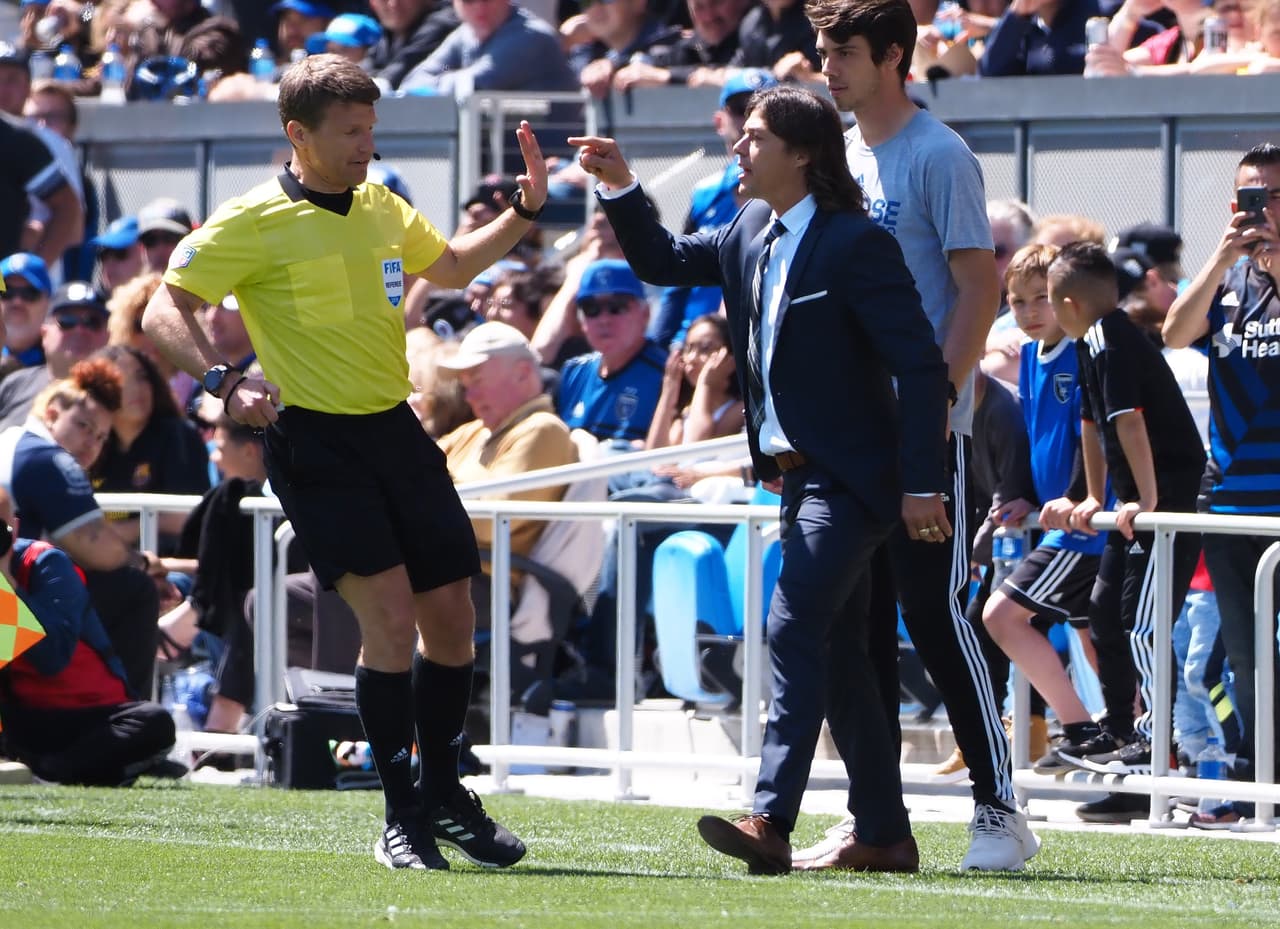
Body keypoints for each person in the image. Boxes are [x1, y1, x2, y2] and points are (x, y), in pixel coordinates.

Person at [141, 53, 544, 872]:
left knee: (454, 614)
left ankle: (444, 792)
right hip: (314, 442)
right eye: (352, 131)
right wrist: (224, 380)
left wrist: (526, 208)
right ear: (299, 133)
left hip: (395, 430)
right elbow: (163, 307)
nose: (368, 144)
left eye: (371, 127)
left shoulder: (381, 203)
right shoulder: (252, 219)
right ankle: (402, 816)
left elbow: (453, 265)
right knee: (389, 619)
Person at [575, 83, 951, 875]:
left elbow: (922, 367)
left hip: (854, 482)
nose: (737, 149)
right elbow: (661, 259)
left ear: (804, 153)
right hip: (795, 483)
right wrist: (620, 183)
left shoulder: (857, 243)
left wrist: (923, 483)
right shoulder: (750, 227)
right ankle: (885, 833)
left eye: (754, 137)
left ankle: (771, 817)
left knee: (790, 625)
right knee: (838, 650)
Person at [805, 0, 1034, 871]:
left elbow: (979, 287)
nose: (828, 67)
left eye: (846, 51)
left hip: (923, 433)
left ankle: (1000, 809)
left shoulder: (939, 153)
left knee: (936, 617)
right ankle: (877, 821)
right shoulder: (839, 154)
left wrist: (935, 404)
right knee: (852, 626)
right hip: (848, 437)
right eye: (823, 51)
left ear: (895, 55)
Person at [1046, 241, 1205, 822]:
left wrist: (1149, 499)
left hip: (1165, 497)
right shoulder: (1087, 342)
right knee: (1103, 610)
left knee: (1143, 627)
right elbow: (1092, 426)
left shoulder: (1113, 340)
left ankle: (1159, 741)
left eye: (1048, 302)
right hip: (1132, 501)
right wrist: (1093, 496)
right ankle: (1119, 728)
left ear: (1068, 304)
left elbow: (1130, 423)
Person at [979, 243, 1127, 775]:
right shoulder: (1029, 358)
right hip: (1055, 520)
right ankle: (1124, 741)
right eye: (1017, 301)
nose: (1029, 311)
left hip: (1085, 526)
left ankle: (1083, 727)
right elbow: (1035, 437)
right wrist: (1026, 497)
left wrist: (1080, 495)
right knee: (1093, 641)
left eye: (1040, 298)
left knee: (1001, 616)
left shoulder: (1084, 353)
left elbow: (1095, 435)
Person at [1162, 142, 1280, 802]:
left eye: (1273, 197)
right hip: (1232, 500)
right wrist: (1219, 258)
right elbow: (1175, 335)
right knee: (1244, 655)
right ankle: (1264, 778)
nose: (1261, 211)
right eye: (1250, 199)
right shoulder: (1226, 282)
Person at [0, 358, 164, 700]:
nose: (92, 443)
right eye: (84, 426)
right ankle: (128, 711)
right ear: (52, 414)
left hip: (11, 597)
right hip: (9, 599)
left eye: (101, 436)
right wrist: (145, 564)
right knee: (137, 589)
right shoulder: (49, 457)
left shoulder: (11, 440)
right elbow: (98, 550)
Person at [0, 486, 182, 787]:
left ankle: (53, 770)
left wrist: (7, 588)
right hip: (22, 717)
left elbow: (52, 659)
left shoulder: (46, 564)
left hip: (86, 715)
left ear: (15, 529)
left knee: (155, 723)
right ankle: (88, 768)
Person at [434, 321, 578, 691]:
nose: (468, 395)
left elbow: (486, 521)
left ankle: (343, 712)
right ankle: (327, 704)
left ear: (523, 373)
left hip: (480, 584)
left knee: (360, 584)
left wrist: (431, 483)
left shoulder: (542, 430)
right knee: (302, 593)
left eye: (477, 380)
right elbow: (410, 471)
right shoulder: (477, 430)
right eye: (465, 384)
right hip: (443, 570)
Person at [556, 259, 666, 444]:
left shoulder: (666, 375)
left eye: (617, 306)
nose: (604, 319)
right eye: (591, 309)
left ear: (645, 313)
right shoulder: (572, 372)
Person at [399, 0, 577, 96]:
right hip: (500, 149)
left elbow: (475, 84)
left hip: (551, 151)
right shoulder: (465, 34)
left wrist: (440, 81)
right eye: (469, 0)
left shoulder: (531, 35)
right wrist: (446, 78)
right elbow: (412, 83)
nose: (479, 6)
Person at [0, 281, 111, 430]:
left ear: (108, 336)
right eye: (67, 321)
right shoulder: (15, 384)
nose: (79, 330)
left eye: (92, 322)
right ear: (44, 333)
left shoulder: (117, 399)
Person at [1, 253, 52, 379]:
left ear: (48, 303)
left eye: (30, 293)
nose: (17, 301)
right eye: (7, 291)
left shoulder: (59, 362)